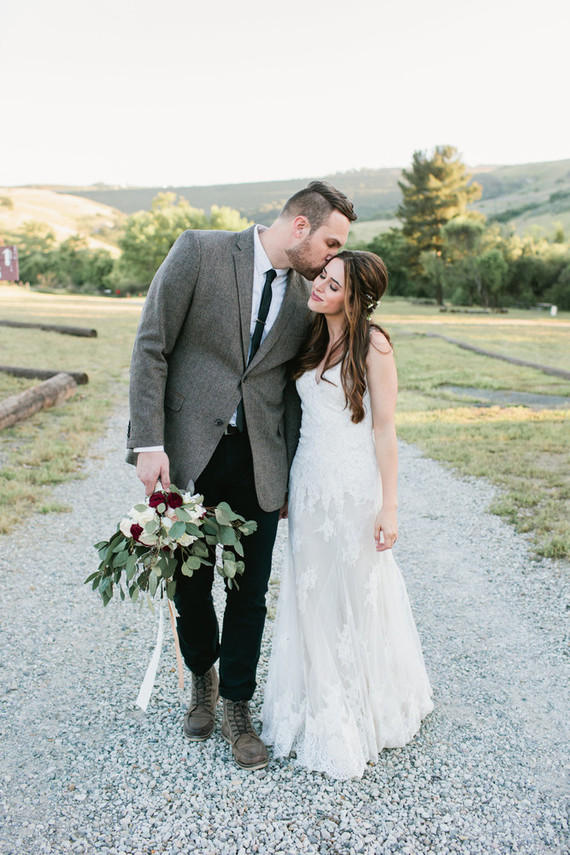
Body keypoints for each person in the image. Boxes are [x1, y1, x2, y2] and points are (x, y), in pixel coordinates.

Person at [127, 181, 357, 771]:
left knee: (249, 591)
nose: (334, 256)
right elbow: (152, 346)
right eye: (330, 241)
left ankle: (236, 705)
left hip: (260, 460)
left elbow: (297, 389)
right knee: (191, 581)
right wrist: (148, 443)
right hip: (187, 453)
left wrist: (295, 474)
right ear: (301, 228)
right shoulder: (199, 251)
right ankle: (201, 680)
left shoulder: (311, 294)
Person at [261, 250, 434, 779]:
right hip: (309, 484)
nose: (318, 287)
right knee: (310, 594)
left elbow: (384, 430)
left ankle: (361, 708)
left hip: (354, 489)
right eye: (320, 277)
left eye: (331, 285)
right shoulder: (312, 337)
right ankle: (316, 698)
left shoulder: (374, 345)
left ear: (354, 298)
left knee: (356, 594)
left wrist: (390, 506)